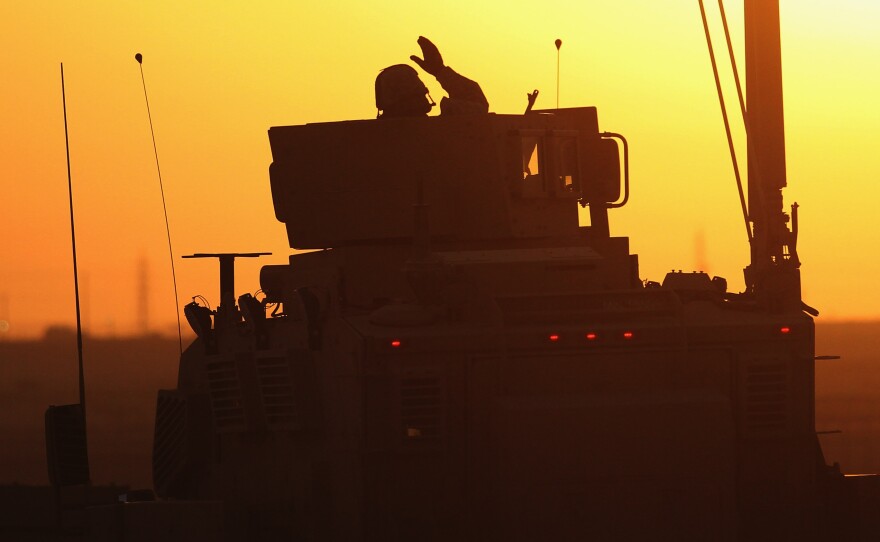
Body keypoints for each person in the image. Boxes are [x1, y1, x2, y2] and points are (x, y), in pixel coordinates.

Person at [375, 36, 489, 118]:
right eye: (419, 93)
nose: (425, 97)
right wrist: (440, 71)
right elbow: (479, 107)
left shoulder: (370, 138)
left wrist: (440, 71)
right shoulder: (436, 132)